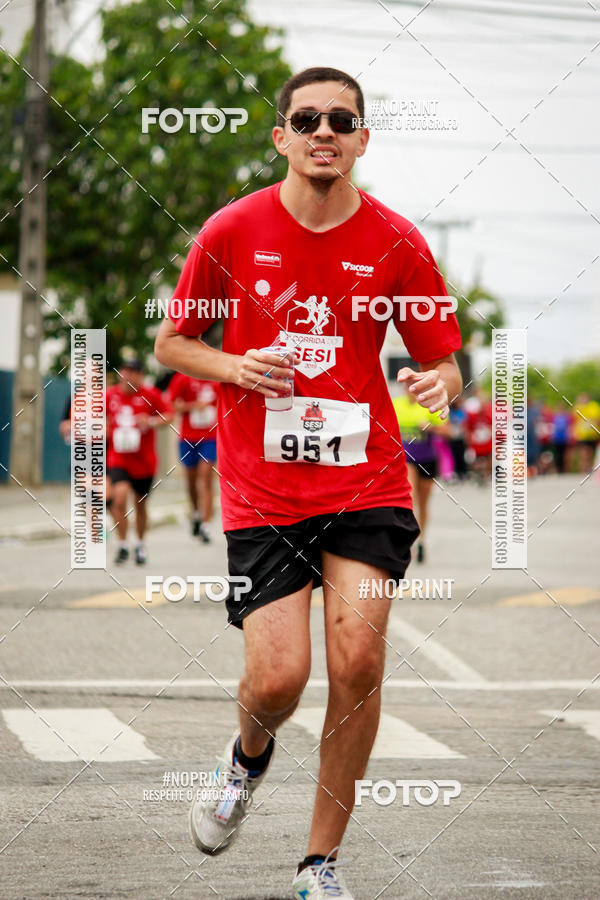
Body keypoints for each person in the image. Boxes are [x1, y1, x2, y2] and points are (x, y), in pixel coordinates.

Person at [155, 66, 462, 900]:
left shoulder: (398, 241)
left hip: (366, 482)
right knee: (279, 678)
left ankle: (317, 866)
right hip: (264, 487)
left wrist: (443, 383)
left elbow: (444, 357)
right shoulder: (231, 229)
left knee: (358, 660)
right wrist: (235, 364)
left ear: (362, 139)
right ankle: (246, 758)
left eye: (343, 118)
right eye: (307, 117)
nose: (325, 129)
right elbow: (173, 345)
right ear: (282, 136)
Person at [106, 355, 173, 565]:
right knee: (119, 497)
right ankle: (123, 544)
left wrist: (151, 421)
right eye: (124, 371)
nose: (127, 375)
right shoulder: (109, 395)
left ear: (141, 375)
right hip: (118, 458)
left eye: (133, 371)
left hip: (144, 461)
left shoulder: (150, 394)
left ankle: (140, 544)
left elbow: (169, 415)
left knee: (140, 505)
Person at [393, 386, 449, 563]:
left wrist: (430, 427)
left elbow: (449, 431)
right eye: (408, 388)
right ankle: (406, 541)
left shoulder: (428, 406)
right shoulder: (396, 405)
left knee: (423, 503)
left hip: (427, 459)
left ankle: (422, 541)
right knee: (411, 498)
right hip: (406, 460)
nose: (411, 392)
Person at [167, 373, 219, 541]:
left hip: (210, 437)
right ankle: (196, 512)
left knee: (205, 477)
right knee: (191, 480)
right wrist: (194, 406)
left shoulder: (217, 378)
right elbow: (173, 405)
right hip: (188, 438)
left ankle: (206, 524)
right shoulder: (182, 378)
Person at [572, 392, 600, 474]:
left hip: (592, 434)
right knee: (583, 452)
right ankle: (583, 469)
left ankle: (590, 468)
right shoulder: (578, 407)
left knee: (591, 452)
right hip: (582, 434)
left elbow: (597, 419)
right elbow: (574, 418)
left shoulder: (593, 406)